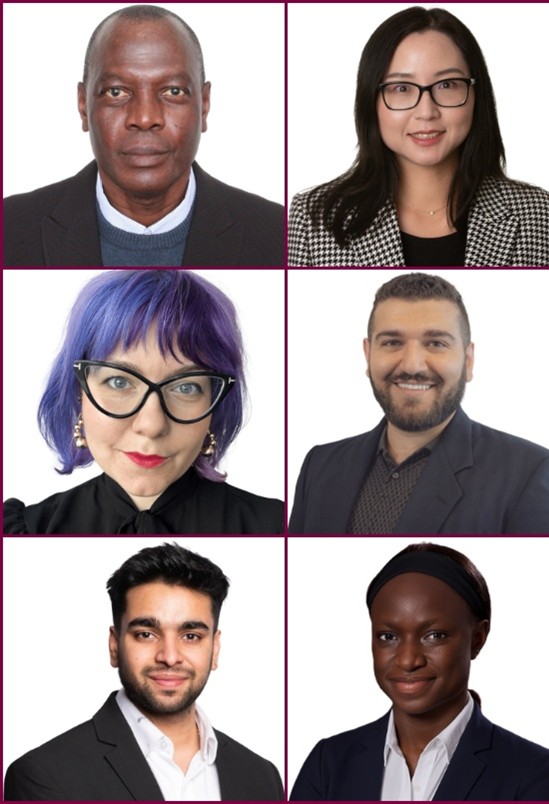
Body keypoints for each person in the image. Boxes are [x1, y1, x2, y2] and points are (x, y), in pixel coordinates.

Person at [288, 272, 549, 533]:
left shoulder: (534, 475)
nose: (412, 365)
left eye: (436, 343)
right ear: (368, 354)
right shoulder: (319, 465)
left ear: (468, 361)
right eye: (392, 342)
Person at [2, 5, 282, 267]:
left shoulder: (277, 232)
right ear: (84, 106)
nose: (145, 118)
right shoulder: (10, 227)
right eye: (116, 92)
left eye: (173, 91)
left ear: (204, 105)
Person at [4, 270, 282, 534]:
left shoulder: (279, 525)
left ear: (216, 402)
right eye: (119, 382)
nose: (151, 425)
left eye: (186, 387)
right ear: (80, 392)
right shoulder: (28, 530)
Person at [287, 7, 549, 267]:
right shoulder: (313, 220)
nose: (426, 111)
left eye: (447, 85)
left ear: (475, 95)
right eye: (401, 88)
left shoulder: (543, 217)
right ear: (370, 100)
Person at [3, 543, 282, 800]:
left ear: (215, 648)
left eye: (191, 636)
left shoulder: (262, 777)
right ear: (114, 645)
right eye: (146, 634)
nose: (169, 657)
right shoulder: (45, 776)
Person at [291, 543, 549, 800]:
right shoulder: (329, 762)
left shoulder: (530, 771)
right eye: (388, 637)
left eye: (434, 635)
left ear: (477, 638)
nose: (409, 660)